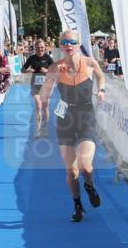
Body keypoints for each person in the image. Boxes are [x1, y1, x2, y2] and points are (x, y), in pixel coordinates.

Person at [39, 30, 106, 223]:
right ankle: (78, 206)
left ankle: (90, 185)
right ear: (60, 46)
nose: (68, 45)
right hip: (65, 118)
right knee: (71, 171)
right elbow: (44, 95)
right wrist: (51, 79)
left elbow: (100, 76)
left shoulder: (90, 63)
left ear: (78, 44)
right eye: (64, 42)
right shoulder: (55, 67)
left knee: (85, 166)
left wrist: (101, 90)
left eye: (72, 42)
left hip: (86, 117)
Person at [23, 39, 54, 135]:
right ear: (35, 48)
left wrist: (47, 70)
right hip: (35, 85)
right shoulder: (31, 58)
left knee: (45, 107)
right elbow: (22, 69)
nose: (40, 49)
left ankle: (45, 128)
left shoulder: (48, 58)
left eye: (42, 47)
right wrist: (28, 71)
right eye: (38, 48)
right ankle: (38, 128)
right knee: (38, 106)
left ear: (45, 48)